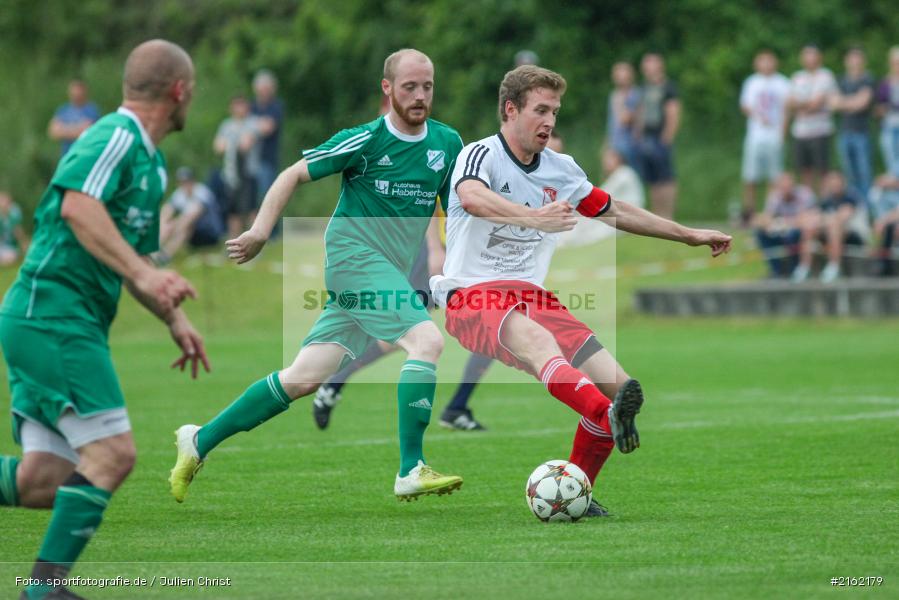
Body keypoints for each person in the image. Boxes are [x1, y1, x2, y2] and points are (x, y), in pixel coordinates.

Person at [431, 65, 731, 516]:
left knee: (621, 386)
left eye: (554, 111)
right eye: (540, 110)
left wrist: (687, 233)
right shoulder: (480, 155)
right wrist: (535, 218)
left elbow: (614, 210)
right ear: (510, 110)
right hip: (472, 295)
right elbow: (473, 197)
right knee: (544, 349)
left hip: (532, 298)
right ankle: (601, 412)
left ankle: (577, 489)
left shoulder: (561, 169)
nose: (549, 121)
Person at [170, 49, 465, 504]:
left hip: (384, 272)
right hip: (353, 259)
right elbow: (291, 175)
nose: (420, 95)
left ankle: (199, 440)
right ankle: (410, 468)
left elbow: (457, 210)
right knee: (427, 342)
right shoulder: (365, 140)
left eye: (427, 86)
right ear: (387, 89)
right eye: (409, 86)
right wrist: (259, 231)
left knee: (303, 378)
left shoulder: (447, 144)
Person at [0, 40, 208, 600]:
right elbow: (78, 207)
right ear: (179, 92)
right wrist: (145, 279)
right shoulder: (115, 135)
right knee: (113, 455)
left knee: (41, 480)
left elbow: (133, 259)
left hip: (57, 318)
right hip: (52, 312)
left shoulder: (152, 163)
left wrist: (173, 319)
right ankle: (43, 592)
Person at [740, 50, 791, 225]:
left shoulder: (783, 82)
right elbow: (745, 105)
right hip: (755, 136)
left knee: (774, 177)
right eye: (763, 61)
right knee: (750, 176)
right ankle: (749, 213)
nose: (766, 65)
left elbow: (786, 110)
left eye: (769, 61)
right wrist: (759, 115)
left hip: (774, 135)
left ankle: (769, 213)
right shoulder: (751, 82)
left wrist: (782, 134)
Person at [560, 146, 644, 247]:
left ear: (618, 158)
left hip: (625, 217)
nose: (605, 162)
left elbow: (602, 196)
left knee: (588, 231)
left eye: (608, 158)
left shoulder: (623, 173)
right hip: (618, 215)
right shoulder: (620, 174)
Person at [634, 53, 680, 219]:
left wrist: (667, 136)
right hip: (646, 136)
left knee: (666, 176)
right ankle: (657, 214)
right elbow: (641, 111)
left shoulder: (668, 87)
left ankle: (668, 214)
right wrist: (637, 132)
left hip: (660, 136)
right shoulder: (644, 88)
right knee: (652, 178)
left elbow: (673, 112)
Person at [789, 45, 838, 194]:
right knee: (805, 171)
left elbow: (817, 103)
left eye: (812, 55)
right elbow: (790, 103)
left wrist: (802, 105)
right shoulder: (797, 77)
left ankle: (824, 203)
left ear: (819, 58)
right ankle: (808, 204)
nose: (809, 59)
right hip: (800, 132)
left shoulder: (826, 76)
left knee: (823, 170)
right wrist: (807, 104)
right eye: (806, 56)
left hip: (820, 130)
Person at [753, 172, 819, 280]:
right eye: (782, 187)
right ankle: (776, 270)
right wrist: (769, 223)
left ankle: (795, 268)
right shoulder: (775, 196)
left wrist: (786, 222)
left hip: (802, 231)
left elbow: (811, 217)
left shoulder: (804, 194)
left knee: (795, 234)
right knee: (761, 233)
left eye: (788, 187)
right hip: (782, 231)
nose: (786, 190)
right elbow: (766, 218)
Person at [214, 95, 261, 240]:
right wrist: (232, 143)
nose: (239, 108)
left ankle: (254, 240)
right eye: (236, 105)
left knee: (251, 209)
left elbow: (245, 145)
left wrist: (230, 143)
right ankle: (234, 243)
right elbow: (217, 147)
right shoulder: (226, 125)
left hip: (249, 172)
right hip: (231, 175)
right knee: (233, 211)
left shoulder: (252, 123)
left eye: (242, 105)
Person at [833, 47, 875, 198]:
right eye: (852, 58)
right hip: (844, 132)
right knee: (848, 173)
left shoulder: (868, 79)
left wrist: (845, 102)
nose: (854, 62)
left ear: (863, 61)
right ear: (846, 61)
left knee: (864, 172)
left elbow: (862, 103)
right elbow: (834, 103)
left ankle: (867, 207)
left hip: (862, 132)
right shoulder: (840, 80)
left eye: (857, 58)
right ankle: (854, 205)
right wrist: (853, 102)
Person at [156, 166, 217, 262]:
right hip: (192, 232)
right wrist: (162, 224)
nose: (185, 185)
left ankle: (165, 256)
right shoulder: (179, 193)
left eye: (187, 181)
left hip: (209, 232)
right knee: (168, 224)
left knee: (186, 227)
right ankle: (154, 250)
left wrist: (172, 227)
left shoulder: (202, 192)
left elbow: (192, 215)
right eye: (182, 182)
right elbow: (167, 210)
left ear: (193, 181)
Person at [817, 171, 869, 282]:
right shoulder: (827, 200)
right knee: (811, 227)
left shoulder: (851, 196)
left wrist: (825, 219)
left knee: (834, 226)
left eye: (836, 183)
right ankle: (804, 267)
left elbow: (843, 216)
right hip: (833, 235)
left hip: (856, 236)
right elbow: (816, 218)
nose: (834, 186)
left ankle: (834, 265)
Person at [250, 70, 284, 204]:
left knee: (267, 197)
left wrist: (251, 126)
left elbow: (269, 127)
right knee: (250, 199)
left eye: (267, 88)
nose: (264, 91)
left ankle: (270, 225)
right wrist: (259, 124)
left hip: (267, 159)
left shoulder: (276, 106)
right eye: (261, 88)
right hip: (250, 160)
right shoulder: (252, 106)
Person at [47, 79, 101, 156]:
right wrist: (76, 129)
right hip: (66, 155)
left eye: (78, 91)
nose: (75, 94)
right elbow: (53, 132)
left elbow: (88, 131)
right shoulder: (63, 110)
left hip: (84, 154)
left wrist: (64, 129)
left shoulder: (92, 110)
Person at [607, 62, 640, 168]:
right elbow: (611, 124)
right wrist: (607, 145)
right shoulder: (614, 95)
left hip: (631, 145)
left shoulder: (635, 95)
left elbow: (625, 119)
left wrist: (621, 102)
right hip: (615, 143)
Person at [869, 173, 899, 276]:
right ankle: (880, 262)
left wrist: (884, 220)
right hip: (886, 226)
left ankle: (881, 262)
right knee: (881, 228)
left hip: (892, 224)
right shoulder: (879, 194)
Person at [876, 47, 899, 179]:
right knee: (891, 162)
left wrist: (890, 106)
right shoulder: (885, 83)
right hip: (889, 126)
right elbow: (879, 105)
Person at [0, 191, 29, 266]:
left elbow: (18, 230)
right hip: (2, 244)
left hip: (10, 245)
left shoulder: (14, 212)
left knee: (10, 258)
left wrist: (24, 243)